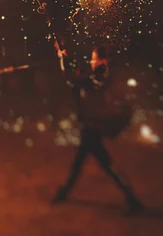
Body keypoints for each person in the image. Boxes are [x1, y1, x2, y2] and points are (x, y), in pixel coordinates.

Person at [51, 40, 144, 215]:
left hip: (92, 130)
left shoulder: (98, 79)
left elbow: (70, 78)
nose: (91, 62)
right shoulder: (94, 78)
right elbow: (73, 79)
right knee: (84, 164)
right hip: (90, 129)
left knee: (102, 165)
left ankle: (131, 198)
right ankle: (65, 192)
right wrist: (63, 56)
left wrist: (63, 58)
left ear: (102, 61)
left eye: (94, 59)